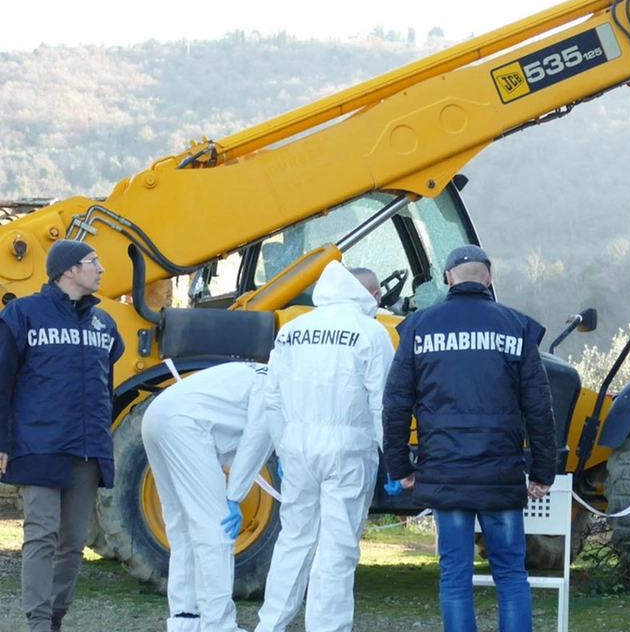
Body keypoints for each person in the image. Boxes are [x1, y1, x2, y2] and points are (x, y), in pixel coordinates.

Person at [383, 244, 556, 632]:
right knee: (511, 575)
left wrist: (400, 467)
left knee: (454, 577)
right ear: (490, 277)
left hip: (446, 475)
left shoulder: (418, 328)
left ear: (447, 279)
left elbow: (395, 405)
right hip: (501, 475)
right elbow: (539, 408)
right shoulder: (516, 327)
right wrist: (543, 471)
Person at [226, 262, 393, 632]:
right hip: (348, 450)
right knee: (337, 547)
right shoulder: (370, 332)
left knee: (294, 540)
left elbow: (273, 399)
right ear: (371, 294)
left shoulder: (293, 330)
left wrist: (284, 449)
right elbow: (384, 403)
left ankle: (270, 625)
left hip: (298, 450)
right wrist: (392, 458)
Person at [0, 239, 124, 632]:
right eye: (94, 262)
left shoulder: (105, 324)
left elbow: (107, 386)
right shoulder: (22, 314)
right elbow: (2, 383)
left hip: (86, 448)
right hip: (38, 444)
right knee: (42, 534)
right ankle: (37, 622)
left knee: (73, 542)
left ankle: (55, 616)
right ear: (69, 270)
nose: (101, 269)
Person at [140, 361, 272, 632]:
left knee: (182, 528)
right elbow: (256, 440)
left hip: (156, 414)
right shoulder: (279, 388)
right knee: (217, 528)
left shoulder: (260, 371)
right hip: (185, 424)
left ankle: (184, 621)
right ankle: (219, 625)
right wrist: (234, 496)